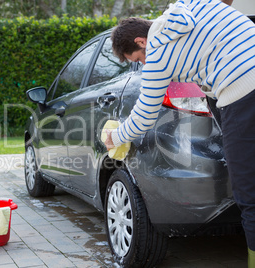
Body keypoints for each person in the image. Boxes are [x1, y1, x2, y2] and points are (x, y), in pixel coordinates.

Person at [104, 0, 255, 266]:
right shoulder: (189, 4)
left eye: (138, 59)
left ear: (141, 41)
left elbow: (143, 117)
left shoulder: (158, 58)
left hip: (241, 92)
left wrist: (115, 137)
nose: (143, 63)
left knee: (249, 192)